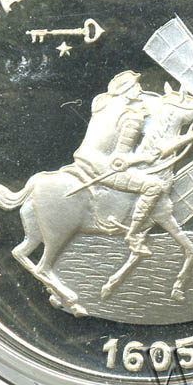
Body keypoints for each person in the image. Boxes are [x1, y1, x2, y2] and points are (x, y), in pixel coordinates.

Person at [74, 71, 167, 256]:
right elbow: (119, 161)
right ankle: (133, 236)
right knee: (154, 186)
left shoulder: (101, 105)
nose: (140, 90)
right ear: (126, 90)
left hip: (83, 159)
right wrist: (146, 158)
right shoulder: (131, 118)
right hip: (101, 168)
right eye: (136, 86)